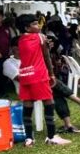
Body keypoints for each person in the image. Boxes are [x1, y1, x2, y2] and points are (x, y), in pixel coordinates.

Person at [16, 14, 69, 146]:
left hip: (25, 75)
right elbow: (46, 57)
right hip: (39, 75)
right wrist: (51, 74)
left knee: (28, 105)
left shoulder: (20, 39)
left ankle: (29, 138)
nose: (38, 26)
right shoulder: (40, 37)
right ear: (27, 28)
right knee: (49, 102)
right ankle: (51, 136)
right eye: (34, 24)